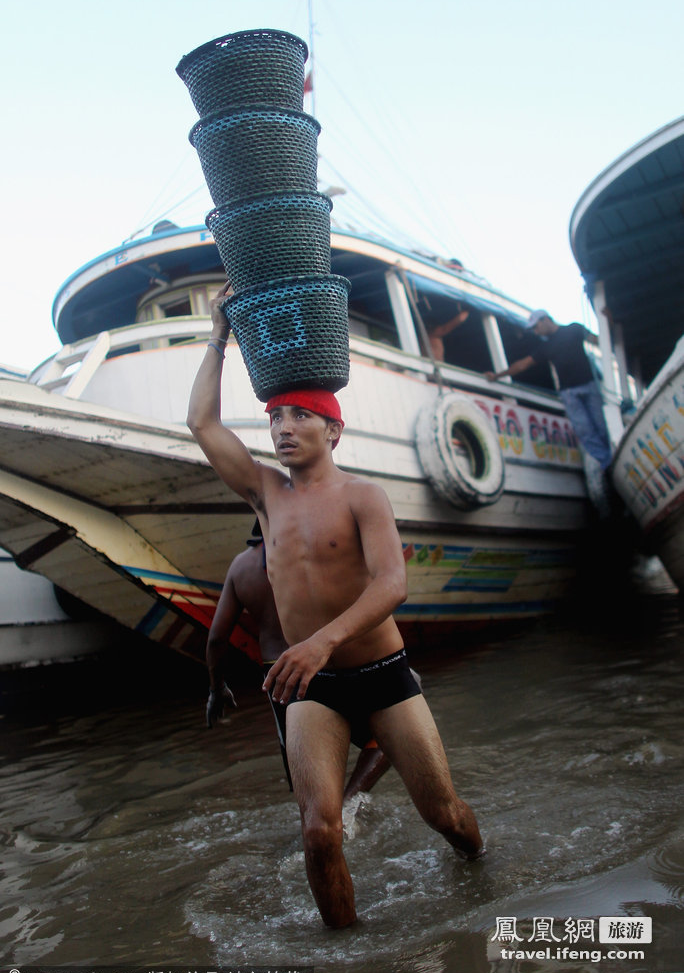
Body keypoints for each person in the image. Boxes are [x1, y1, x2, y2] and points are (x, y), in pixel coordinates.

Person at [187, 283, 483, 929]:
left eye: (298, 416)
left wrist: (322, 639)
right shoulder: (267, 495)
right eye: (274, 418)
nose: (283, 428)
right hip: (311, 688)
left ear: (333, 430)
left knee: (446, 818)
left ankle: (483, 877)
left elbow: (390, 586)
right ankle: (345, 957)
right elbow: (203, 425)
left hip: (383, 678)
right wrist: (218, 336)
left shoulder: (363, 497)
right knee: (319, 831)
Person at [205, 524, 391, 802]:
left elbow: (216, 640)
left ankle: (324, 822)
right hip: (325, 660)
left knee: (306, 781)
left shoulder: (241, 566)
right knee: (388, 737)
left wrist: (216, 688)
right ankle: (349, 803)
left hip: (279, 674)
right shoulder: (310, 550)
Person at [485, 309, 613, 469]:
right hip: (569, 394)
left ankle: (613, 457)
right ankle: (607, 463)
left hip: (590, 386)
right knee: (584, 431)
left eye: (536, 327)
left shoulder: (574, 329)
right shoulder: (546, 347)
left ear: (545, 319)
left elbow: (600, 341)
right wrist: (497, 375)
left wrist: (608, 322)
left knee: (602, 425)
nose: (535, 332)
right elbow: (522, 365)